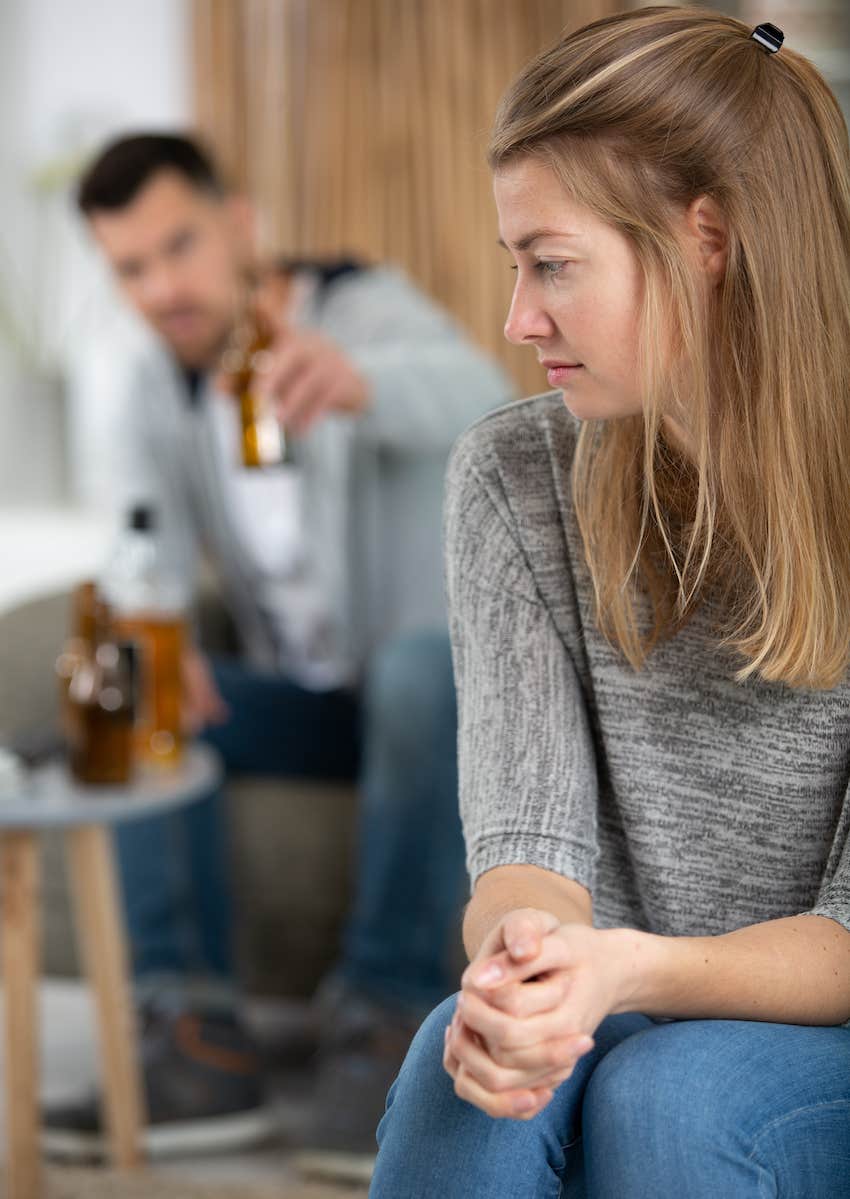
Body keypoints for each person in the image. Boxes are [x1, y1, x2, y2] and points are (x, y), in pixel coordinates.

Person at [370, 7, 850, 1196]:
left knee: (668, 1096)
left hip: (808, 1029)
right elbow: (526, 845)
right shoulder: (512, 476)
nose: (516, 319)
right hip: (616, 993)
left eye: (552, 263)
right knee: (458, 1057)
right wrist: (518, 971)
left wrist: (623, 968)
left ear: (708, 239)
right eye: (514, 264)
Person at [45, 133, 514, 1175]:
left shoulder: (361, 306)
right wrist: (155, 635)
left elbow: (486, 395)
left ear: (241, 226)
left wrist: (360, 382)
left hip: (416, 695)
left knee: (414, 670)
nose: (164, 286)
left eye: (180, 246)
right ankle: (192, 1033)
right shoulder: (155, 385)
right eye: (131, 267)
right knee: (127, 682)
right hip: (301, 702)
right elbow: (141, 546)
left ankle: (388, 1020)